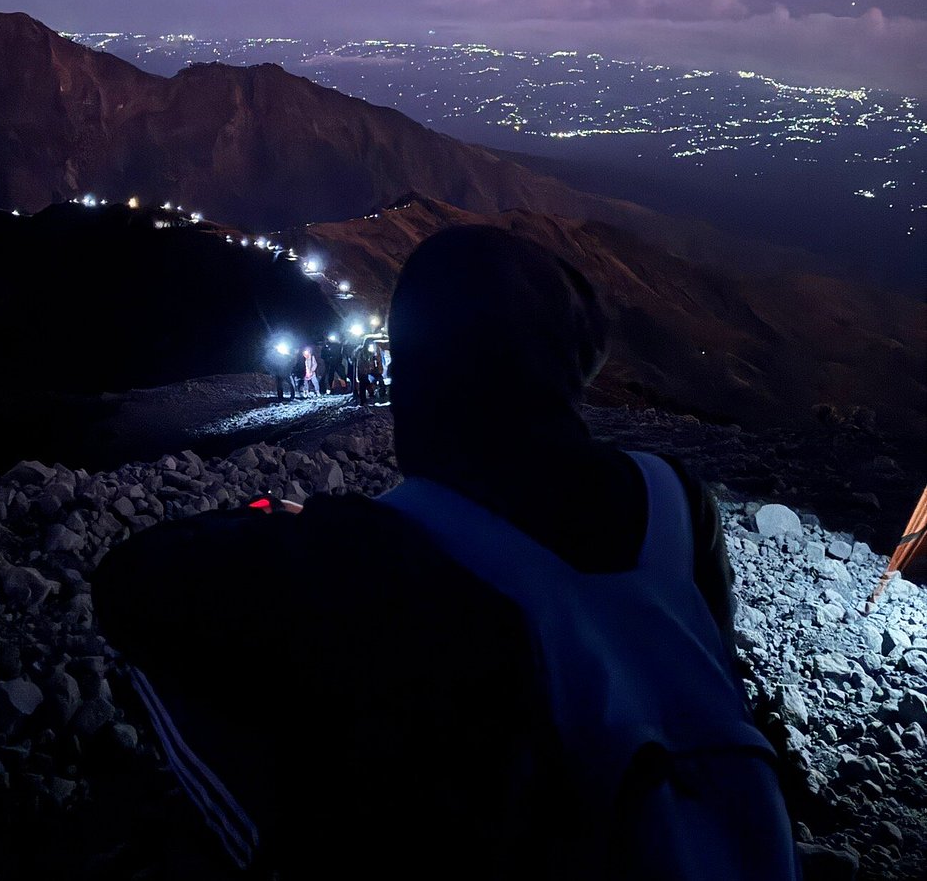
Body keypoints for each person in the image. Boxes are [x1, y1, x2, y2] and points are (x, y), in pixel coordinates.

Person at [93, 225, 797, 880]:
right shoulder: (675, 499)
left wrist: (305, 532)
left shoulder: (376, 548)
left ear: (418, 372)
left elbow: (128, 584)